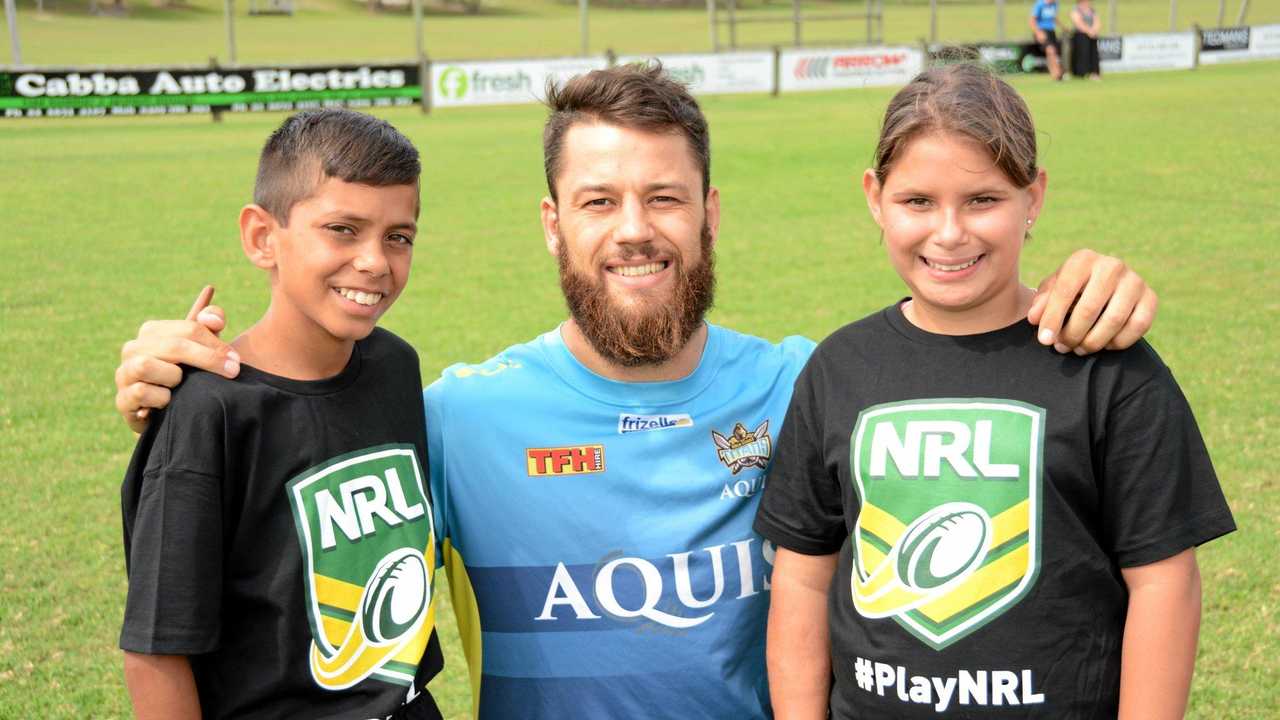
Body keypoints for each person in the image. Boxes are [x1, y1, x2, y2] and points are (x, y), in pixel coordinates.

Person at [113, 65, 1160, 719]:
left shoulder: (810, 385)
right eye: (597, 199)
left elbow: (956, 352)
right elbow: (292, 454)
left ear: (708, 213)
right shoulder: (451, 416)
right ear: (550, 222)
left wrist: (1076, 286)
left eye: (663, 197)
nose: (633, 229)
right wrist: (180, 374)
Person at [756, 63, 1234, 719]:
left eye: (982, 200)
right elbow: (805, 576)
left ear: (1033, 198)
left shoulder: (1107, 368)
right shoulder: (840, 366)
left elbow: (1164, 583)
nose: (948, 232)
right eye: (917, 201)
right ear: (875, 197)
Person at [118, 109, 444, 720]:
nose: (375, 260)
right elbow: (157, 652)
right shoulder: (207, 410)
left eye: (399, 236)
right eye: (343, 229)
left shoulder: (396, 365)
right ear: (262, 238)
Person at [1030, 0, 1065, 80]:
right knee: (1050, 50)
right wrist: (1038, 33)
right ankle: (1057, 73)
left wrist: (1063, 27)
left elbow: (1054, 18)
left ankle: (1054, 74)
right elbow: (1032, 21)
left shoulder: (1055, 4)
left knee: (1052, 53)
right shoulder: (1039, 4)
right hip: (1041, 30)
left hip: (1051, 31)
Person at [1070, 0, 1103, 80]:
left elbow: (1097, 21)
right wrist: (1089, 31)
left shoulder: (1092, 10)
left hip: (1092, 35)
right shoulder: (1076, 10)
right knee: (1083, 54)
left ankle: (1094, 73)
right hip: (1081, 35)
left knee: (1094, 54)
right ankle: (1081, 73)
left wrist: (1094, 30)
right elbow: (1078, 22)